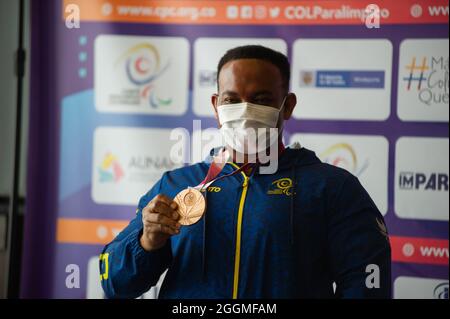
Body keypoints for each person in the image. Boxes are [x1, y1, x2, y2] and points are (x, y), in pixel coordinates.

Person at [100, 45, 391, 299]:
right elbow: (115, 284)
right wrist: (147, 242)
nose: (244, 110)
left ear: (286, 106)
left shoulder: (332, 188)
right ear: (216, 107)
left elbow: (367, 285)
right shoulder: (177, 185)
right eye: (232, 100)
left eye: (261, 99)